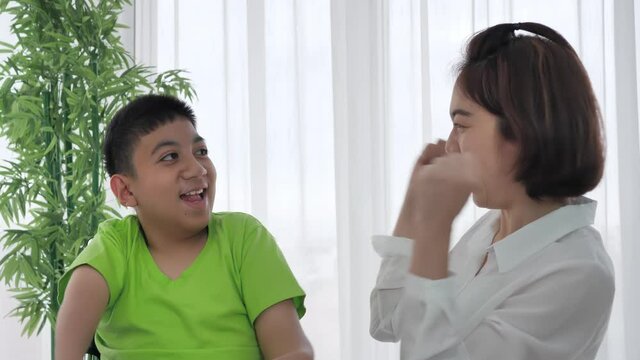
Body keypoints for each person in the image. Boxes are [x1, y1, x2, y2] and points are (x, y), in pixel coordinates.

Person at [370, 22, 614, 360]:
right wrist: (414, 205)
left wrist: (435, 231)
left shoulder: (578, 271)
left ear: (522, 131)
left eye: (462, 125)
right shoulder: (490, 229)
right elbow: (388, 320)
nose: (450, 146)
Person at [55, 95, 313, 360]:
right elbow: (71, 334)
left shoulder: (244, 238)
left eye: (200, 151)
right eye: (170, 157)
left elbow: (292, 350)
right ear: (126, 190)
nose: (197, 168)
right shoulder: (115, 246)